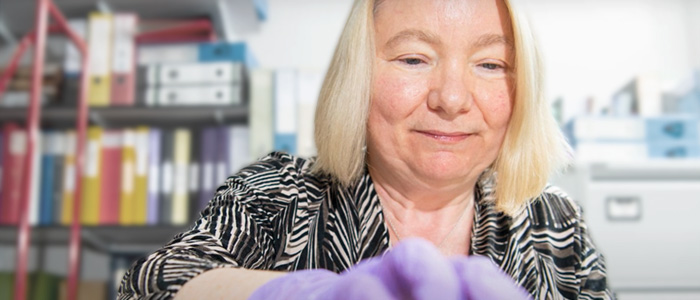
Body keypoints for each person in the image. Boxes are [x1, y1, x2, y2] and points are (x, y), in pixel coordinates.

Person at [119, 0, 614, 299]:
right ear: (358, 76)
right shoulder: (275, 193)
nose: (453, 99)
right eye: (414, 58)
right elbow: (150, 287)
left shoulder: (557, 222)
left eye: (490, 65)